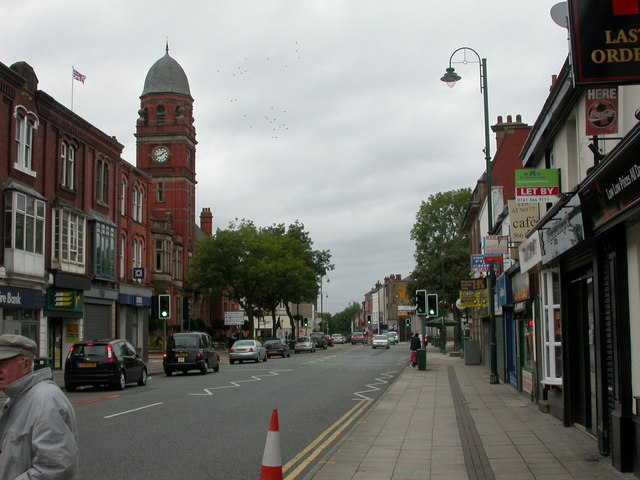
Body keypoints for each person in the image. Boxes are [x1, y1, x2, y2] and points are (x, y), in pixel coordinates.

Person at [0, 334, 79, 479]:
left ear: (26, 365)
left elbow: (56, 468)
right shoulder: (16, 399)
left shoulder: (45, 400)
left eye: (2, 364)